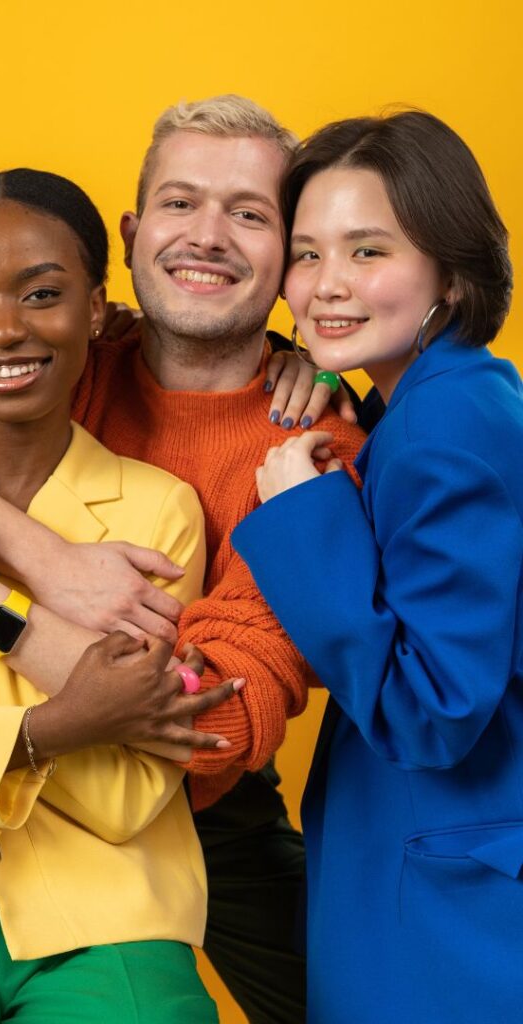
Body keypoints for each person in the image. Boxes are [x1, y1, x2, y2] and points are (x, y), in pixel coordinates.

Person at [0, 95, 365, 1023]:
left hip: (195, 813)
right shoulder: (54, 337)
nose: (209, 236)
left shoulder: (313, 442)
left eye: (251, 214)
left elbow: (213, 733)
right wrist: (48, 560)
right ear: (133, 235)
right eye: (182, 204)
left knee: (343, 1001)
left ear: (295, 259)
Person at [232, 111, 521, 1022]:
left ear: (452, 267)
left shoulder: (446, 432)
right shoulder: (451, 397)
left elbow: (431, 710)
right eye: (307, 254)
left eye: (368, 251)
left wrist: (304, 515)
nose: (326, 287)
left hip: (446, 916)